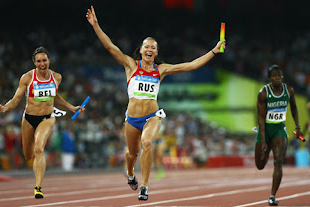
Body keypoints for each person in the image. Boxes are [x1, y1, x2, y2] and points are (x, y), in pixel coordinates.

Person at [86, 5, 225, 201]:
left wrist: (213, 51)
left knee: (147, 142)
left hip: (152, 115)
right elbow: (110, 46)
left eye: (153, 47)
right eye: (146, 46)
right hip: (132, 118)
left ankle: (144, 186)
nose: (149, 49)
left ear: (156, 52)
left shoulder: (161, 70)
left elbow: (190, 65)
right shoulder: (130, 65)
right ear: (141, 50)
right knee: (131, 154)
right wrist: (96, 25)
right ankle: (130, 174)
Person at [0, 47, 84, 199]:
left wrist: (71, 107)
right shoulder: (27, 78)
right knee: (28, 155)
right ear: (34, 63)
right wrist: (5, 108)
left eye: (44, 60)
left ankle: (38, 187)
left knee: (39, 149)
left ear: (49, 61)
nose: (42, 64)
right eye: (39, 61)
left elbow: (55, 97)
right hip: (29, 118)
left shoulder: (57, 77)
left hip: (47, 118)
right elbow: (16, 99)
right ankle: (34, 170)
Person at [255, 65, 302, 206]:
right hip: (265, 129)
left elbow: (294, 108)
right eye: (274, 76)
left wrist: (297, 127)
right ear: (270, 78)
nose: (278, 79)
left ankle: (272, 196)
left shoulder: (289, 91)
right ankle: (266, 148)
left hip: (279, 130)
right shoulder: (263, 93)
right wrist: (263, 141)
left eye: (280, 76)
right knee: (260, 165)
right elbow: (261, 119)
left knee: (278, 161)